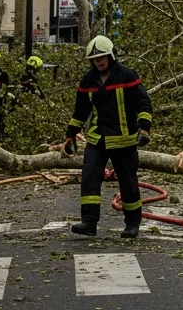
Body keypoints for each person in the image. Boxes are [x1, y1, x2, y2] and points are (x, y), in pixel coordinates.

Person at [63, 35, 152, 238]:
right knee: (89, 178)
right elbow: (81, 111)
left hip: (124, 139)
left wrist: (144, 127)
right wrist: (70, 135)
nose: (99, 62)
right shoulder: (88, 80)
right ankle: (89, 223)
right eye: (95, 59)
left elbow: (143, 103)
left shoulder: (127, 76)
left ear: (111, 56)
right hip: (97, 139)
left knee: (128, 182)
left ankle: (132, 224)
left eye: (102, 57)